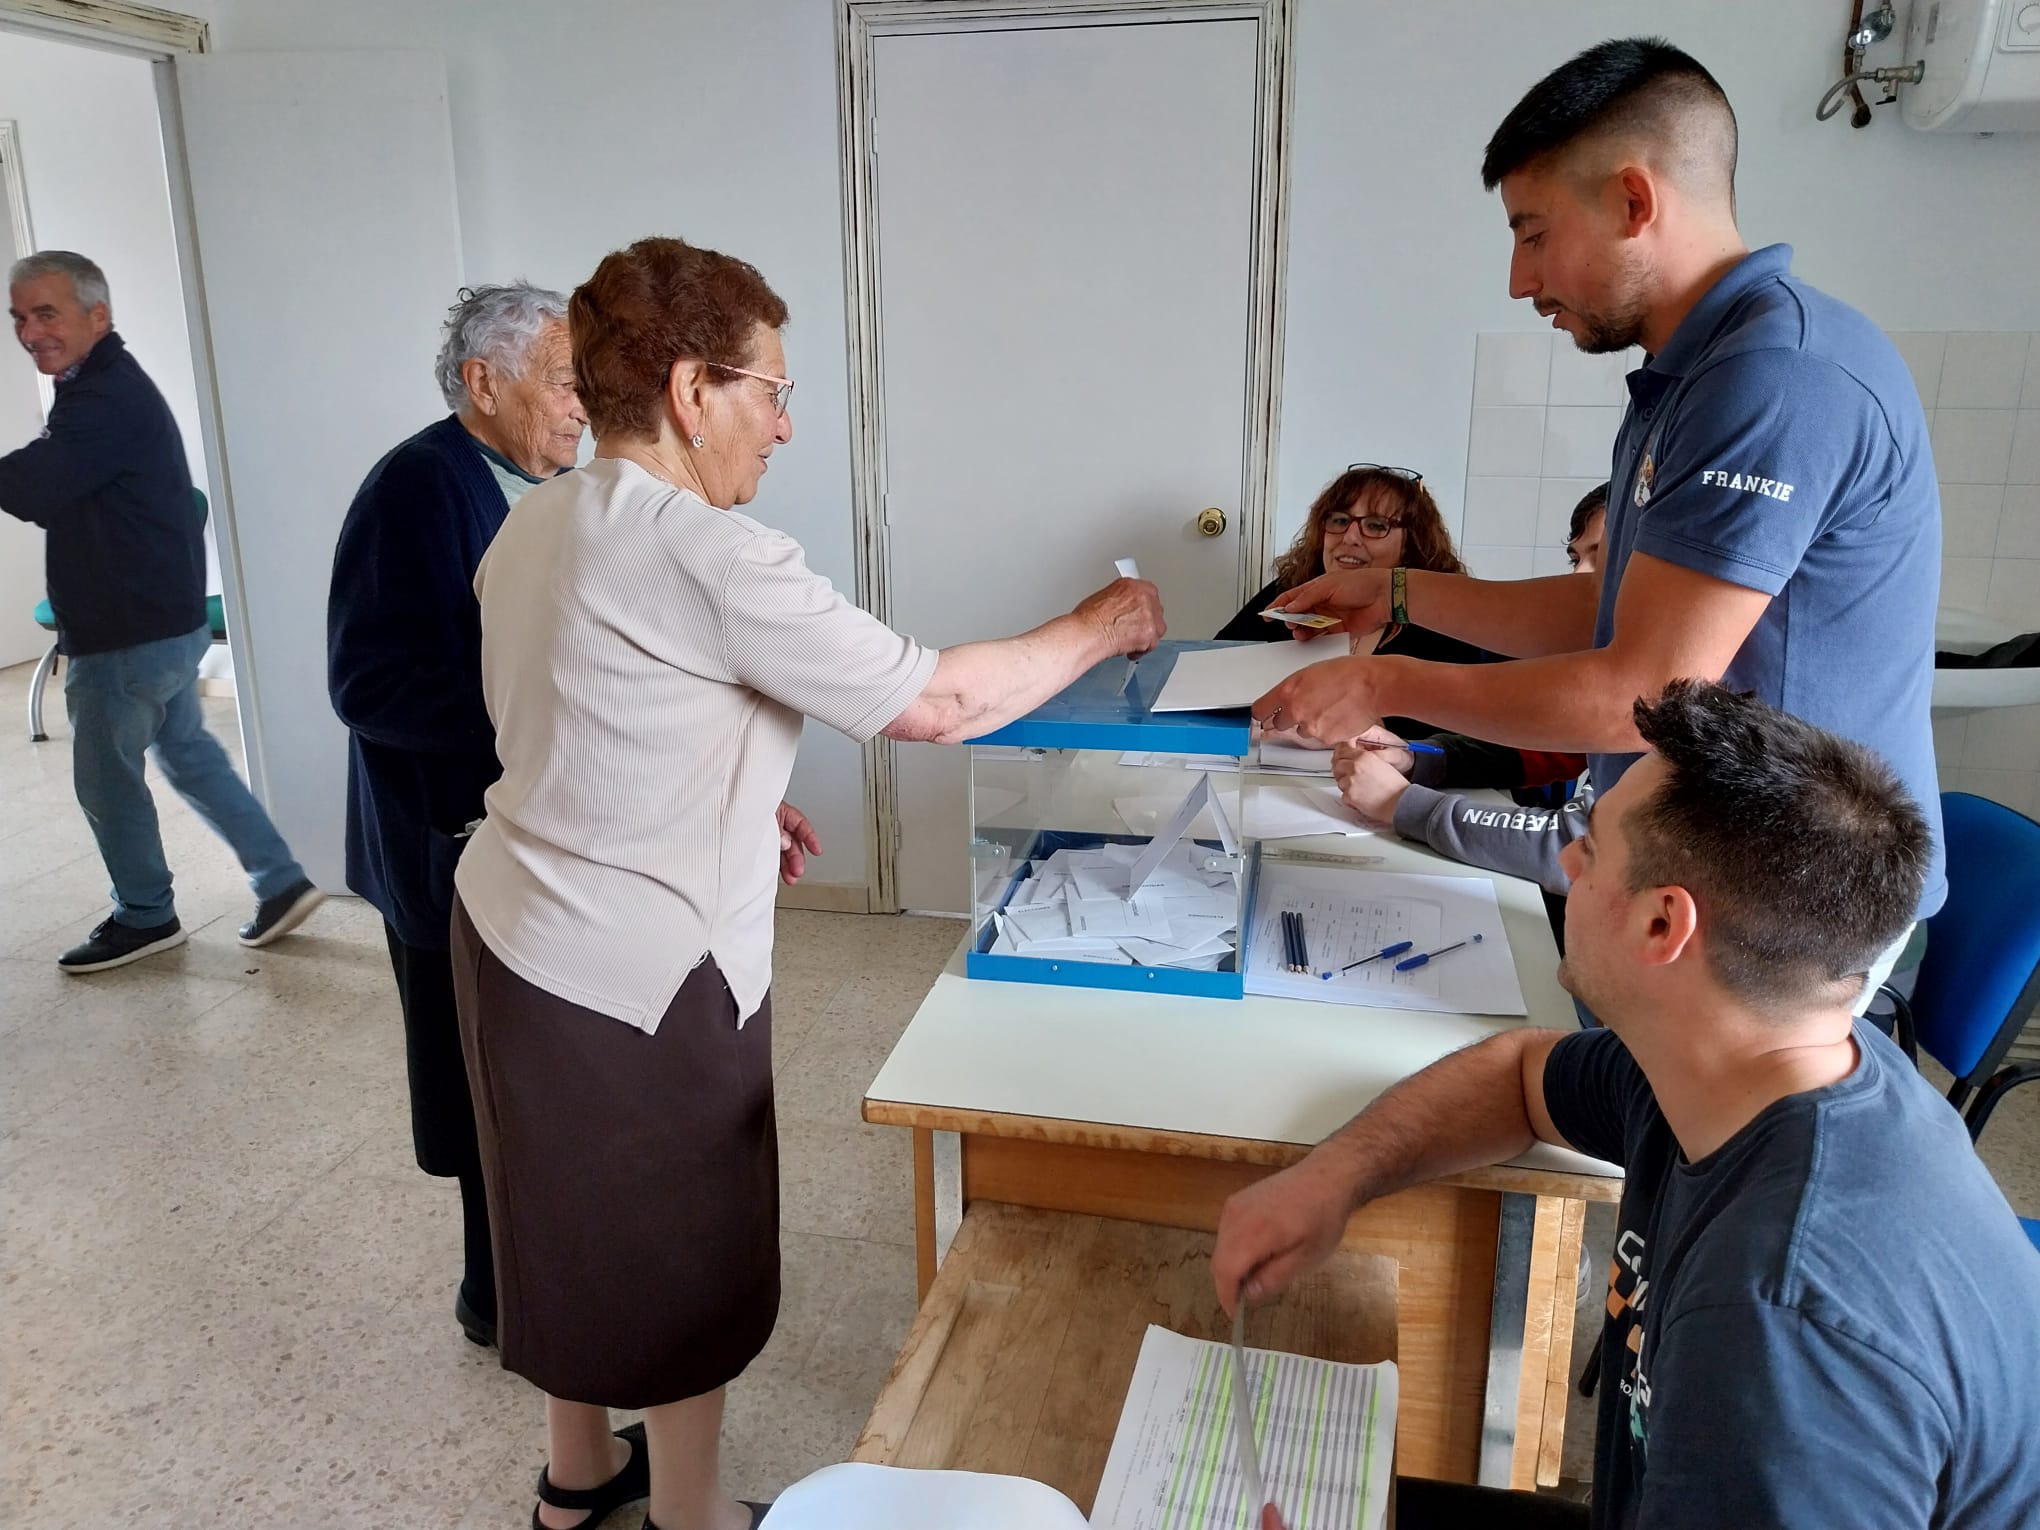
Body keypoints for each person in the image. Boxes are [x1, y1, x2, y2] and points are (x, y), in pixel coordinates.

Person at [451, 236, 1164, 1530]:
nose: (782, 427)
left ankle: (577, 1479)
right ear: (689, 390)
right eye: (771, 391)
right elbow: (939, 701)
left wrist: (726, 791)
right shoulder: (714, 554)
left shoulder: (537, 517)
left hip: (507, 927)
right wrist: (1101, 624)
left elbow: (578, 709)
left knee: (554, 1208)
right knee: (672, 1234)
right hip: (641, 969)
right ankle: (689, 1510)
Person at [1217, 682, 2040, 1530]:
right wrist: (1334, 1179)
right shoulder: (1756, 1059)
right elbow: (1522, 1072)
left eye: (1592, 848)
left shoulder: (1778, 1333)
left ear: (1662, 926)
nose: (1568, 864)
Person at [1254, 38, 1947, 991]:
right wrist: (1396, 591)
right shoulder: (1687, 378)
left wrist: (1385, 687)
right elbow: (1610, 612)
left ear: (1634, 199)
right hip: (1697, 873)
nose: (1518, 279)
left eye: (1533, 233)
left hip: (1788, 908)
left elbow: (1643, 692)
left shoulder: (1777, 376)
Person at [327, 282, 585, 1351]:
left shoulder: (550, 485)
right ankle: (499, 1297)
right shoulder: (417, 489)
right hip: (448, 847)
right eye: (566, 381)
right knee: (477, 1080)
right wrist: (534, 728)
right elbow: (368, 682)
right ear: (486, 382)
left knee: (531, 1078)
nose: (584, 406)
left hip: (529, 841)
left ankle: (541, 1273)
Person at [0, 251, 321, 972]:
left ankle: (145, 915)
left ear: (97, 315)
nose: (29, 331)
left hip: (128, 633)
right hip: (162, 621)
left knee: (105, 776)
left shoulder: (103, 397)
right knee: (190, 756)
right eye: (19, 316)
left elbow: (33, 488)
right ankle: (280, 879)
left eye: (45, 313)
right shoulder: (98, 385)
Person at [1216, 464, 1483, 736]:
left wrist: (1378, 734)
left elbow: (1466, 741)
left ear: (1410, 544)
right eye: (1340, 521)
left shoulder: (1442, 620)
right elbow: (1215, 670)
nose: (1350, 537)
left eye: (1376, 526)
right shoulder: (1291, 592)